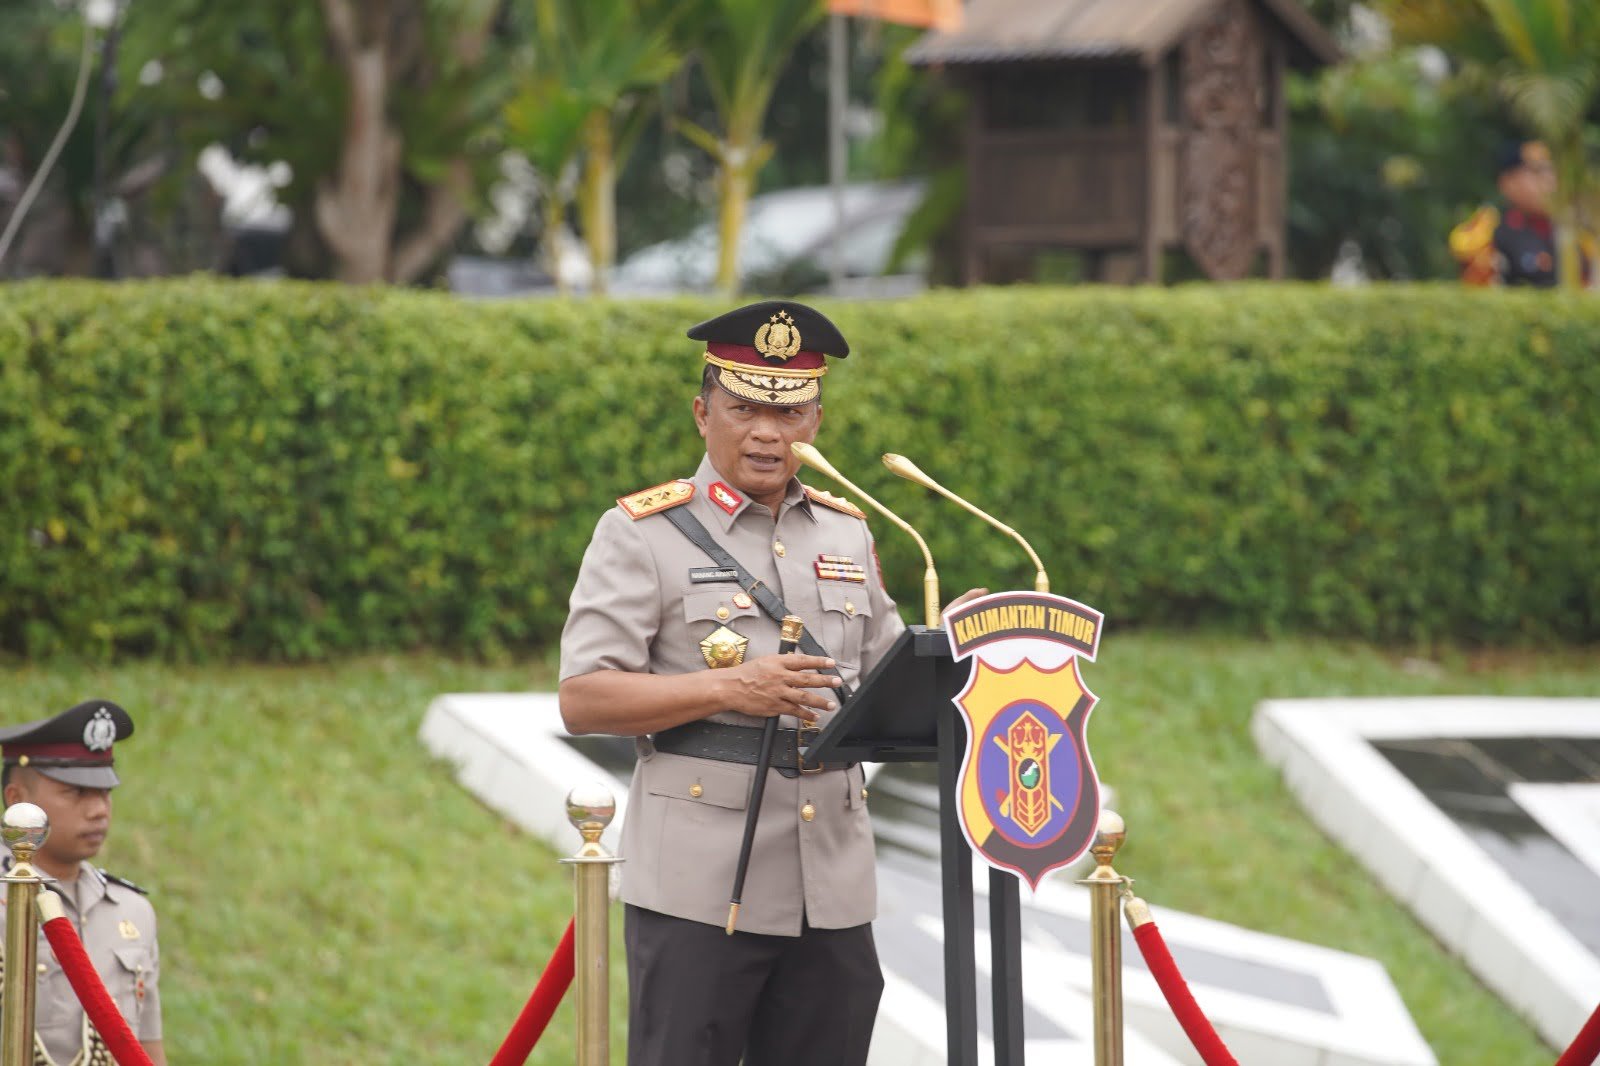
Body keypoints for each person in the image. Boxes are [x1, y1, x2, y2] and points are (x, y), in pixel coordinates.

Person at [559, 300, 979, 1066]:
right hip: (700, 885)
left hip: (832, 883)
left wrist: (950, 643)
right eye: (745, 407)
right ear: (701, 412)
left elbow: (883, 680)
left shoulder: (847, 529)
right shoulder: (640, 533)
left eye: (790, 413)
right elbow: (585, 697)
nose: (767, 433)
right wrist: (729, 689)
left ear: (815, 422)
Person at [0, 700, 165, 1066]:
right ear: (18, 799)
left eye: (104, 792)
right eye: (76, 792)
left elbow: (148, 1050)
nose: (99, 810)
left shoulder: (132, 911)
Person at [1450, 139, 1594, 287]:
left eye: (1552, 171)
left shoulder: (1576, 233)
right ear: (1507, 182)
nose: (1549, 180)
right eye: (1537, 171)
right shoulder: (1487, 233)